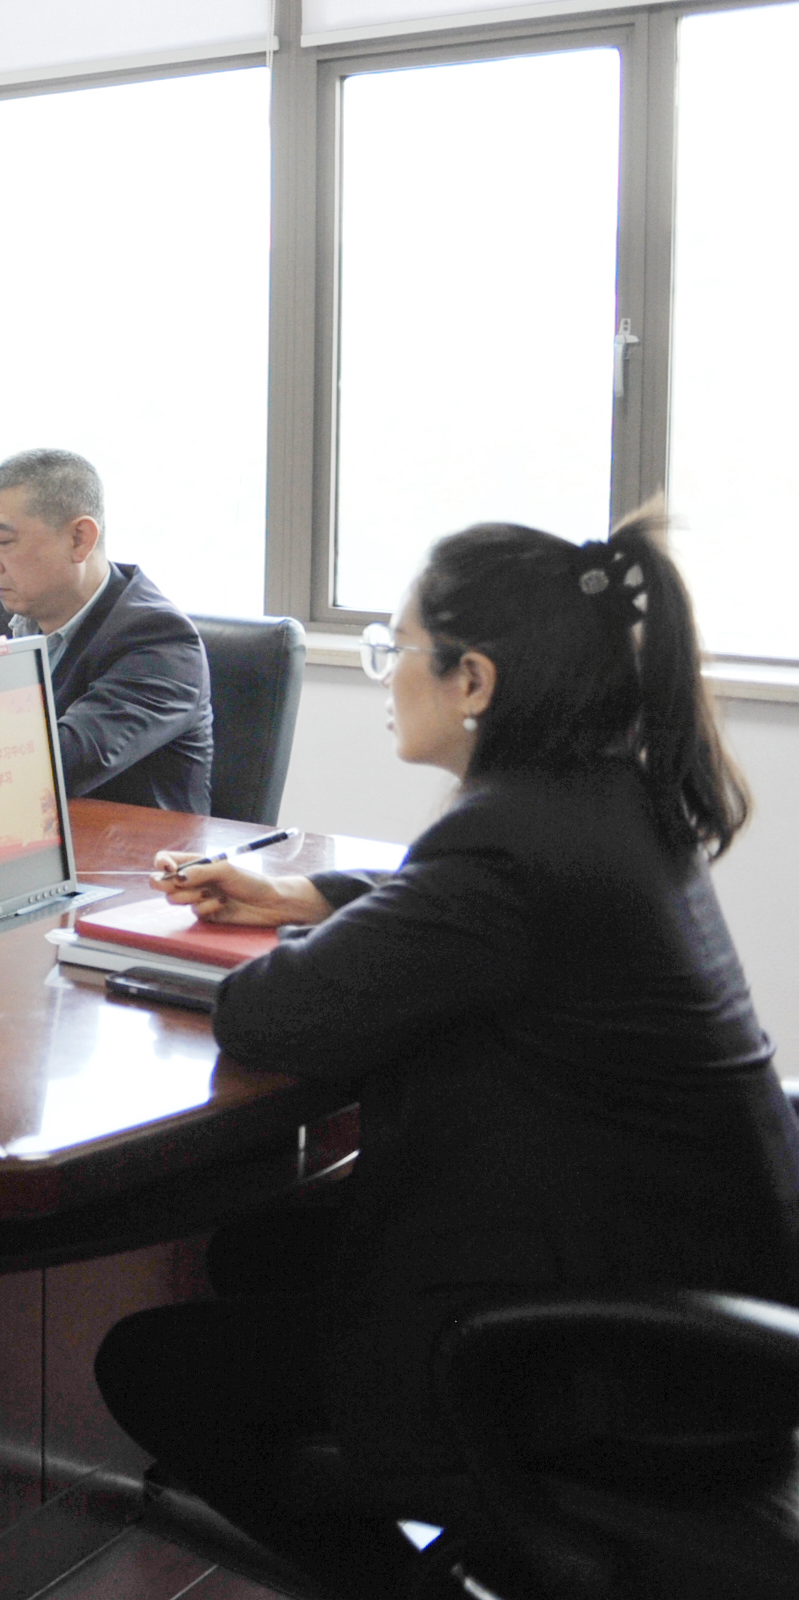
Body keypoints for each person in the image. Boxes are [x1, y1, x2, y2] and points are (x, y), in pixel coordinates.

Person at [95, 507, 799, 1599]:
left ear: (473, 679)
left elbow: (270, 1015)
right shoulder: (601, 798)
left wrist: (312, 938)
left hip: (605, 1374)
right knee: (264, 1250)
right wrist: (313, 894)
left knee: (155, 1365)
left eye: (396, 647)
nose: (383, 673)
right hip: (684, 1300)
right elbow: (473, 915)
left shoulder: (505, 841)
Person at [0, 448, 211, 813]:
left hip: (131, 846)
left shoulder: (160, 640)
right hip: (12, 833)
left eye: (5, 542)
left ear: (80, 539)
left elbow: (62, 764)